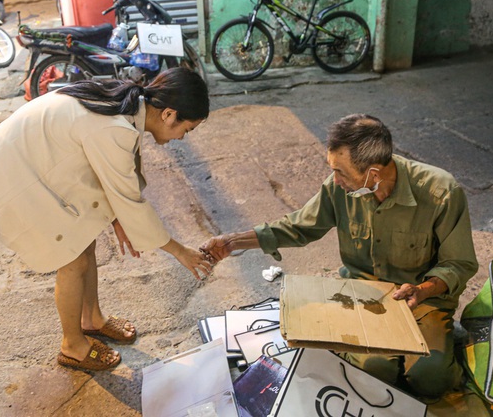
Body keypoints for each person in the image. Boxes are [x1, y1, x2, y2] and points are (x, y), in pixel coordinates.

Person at [0, 68, 214, 371]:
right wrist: (180, 251)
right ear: (169, 114)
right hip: (17, 171)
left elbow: (116, 179)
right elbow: (128, 198)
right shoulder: (115, 127)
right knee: (73, 260)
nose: (183, 137)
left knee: (85, 239)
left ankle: (92, 319)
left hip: (38, 160)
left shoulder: (128, 104)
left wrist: (118, 218)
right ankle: (72, 346)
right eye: (188, 129)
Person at [201, 114, 478, 399]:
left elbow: (459, 263)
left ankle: (444, 351)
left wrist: (422, 290)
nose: (336, 181)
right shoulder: (338, 188)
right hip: (362, 296)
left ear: (373, 173)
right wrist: (233, 242)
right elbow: (297, 226)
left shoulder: (440, 191)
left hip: (421, 301)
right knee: (375, 371)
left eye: (341, 172)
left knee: (431, 378)